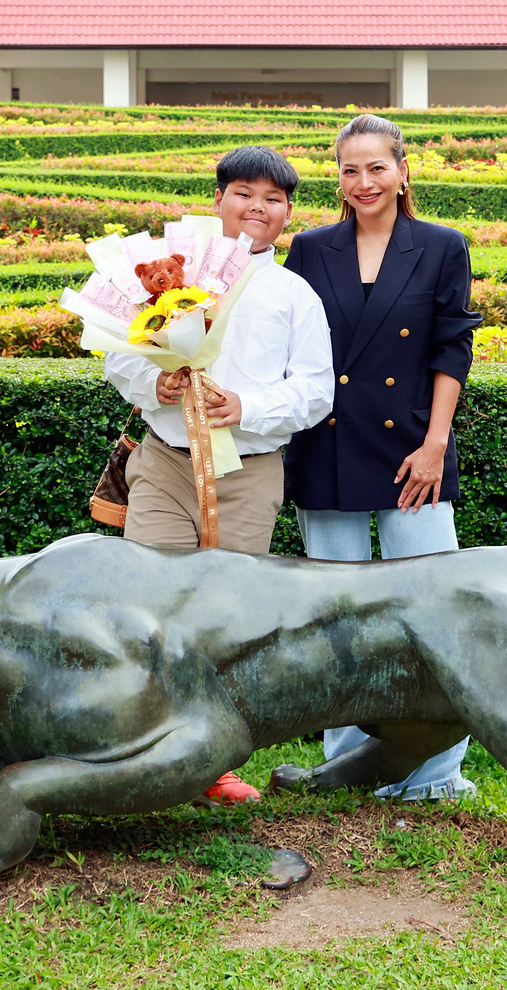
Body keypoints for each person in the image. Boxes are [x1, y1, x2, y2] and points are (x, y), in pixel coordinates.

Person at [102, 145, 334, 804]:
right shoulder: (166, 277)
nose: (258, 208)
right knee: (147, 604)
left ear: (287, 213)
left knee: (224, 619)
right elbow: (119, 361)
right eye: (244, 194)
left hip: (248, 472)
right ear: (218, 199)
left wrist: (246, 407)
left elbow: (317, 391)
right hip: (167, 463)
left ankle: (209, 763)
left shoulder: (294, 294)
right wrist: (157, 380)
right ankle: (135, 748)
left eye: (273, 199)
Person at [279, 113, 484, 801]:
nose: (362, 182)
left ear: (403, 171)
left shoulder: (441, 246)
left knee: (430, 610)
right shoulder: (310, 249)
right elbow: (289, 341)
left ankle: (433, 773)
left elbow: (451, 349)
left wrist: (436, 444)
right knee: (336, 617)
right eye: (349, 169)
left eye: (375, 167)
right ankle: (343, 768)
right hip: (326, 445)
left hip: (412, 450)